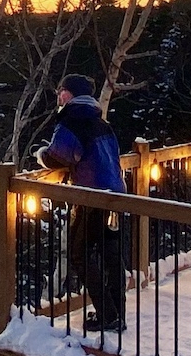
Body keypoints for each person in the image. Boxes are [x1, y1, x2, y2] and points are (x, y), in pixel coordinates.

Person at [39, 74, 128, 332]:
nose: (58, 96)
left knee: (80, 253)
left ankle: (108, 314)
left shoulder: (72, 120)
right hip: (117, 194)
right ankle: (116, 312)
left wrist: (41, 155)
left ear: (71, 95)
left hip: (92, 195)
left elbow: (59, 155)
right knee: (111, 255)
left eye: (61, 90)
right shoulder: (101, 122)